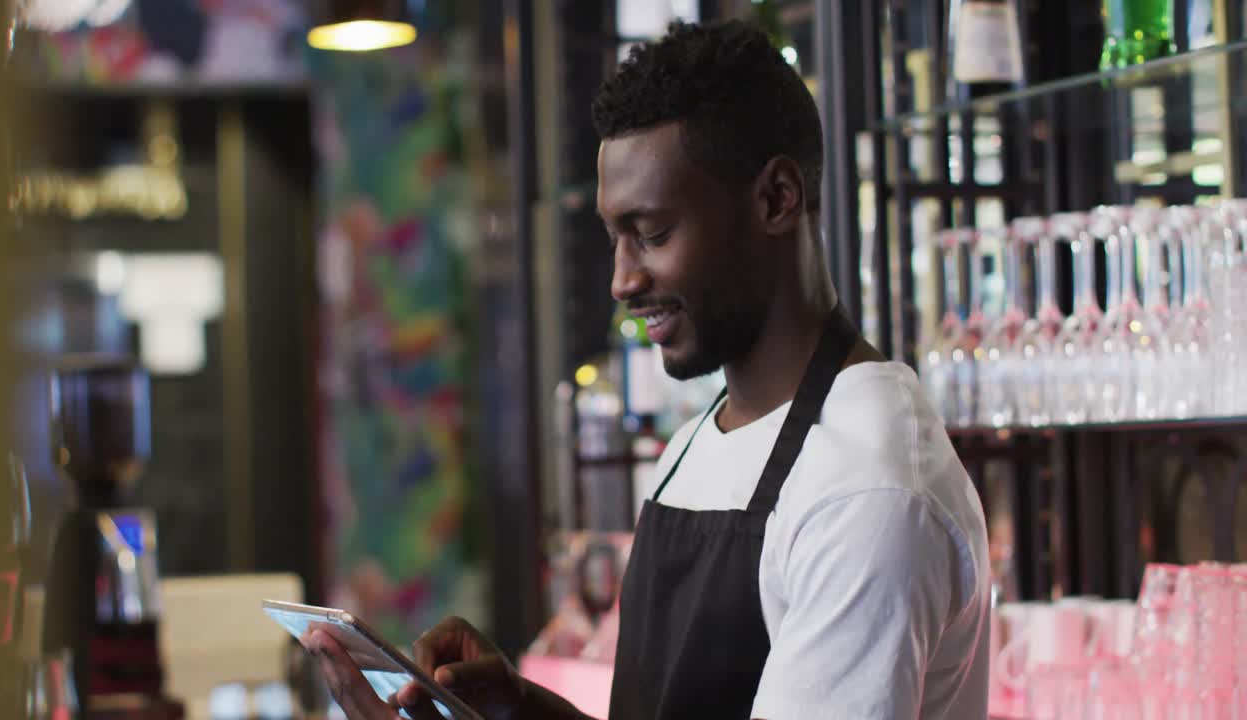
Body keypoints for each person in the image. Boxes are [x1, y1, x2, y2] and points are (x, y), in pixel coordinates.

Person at [304, 18, 991, 720]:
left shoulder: (865, 487)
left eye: (653, 234)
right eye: (614, 239)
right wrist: (518, 711)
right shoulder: (706, 436)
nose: (621, 280)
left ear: (777, 199)